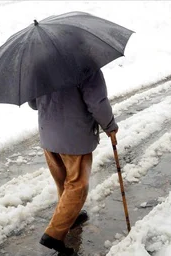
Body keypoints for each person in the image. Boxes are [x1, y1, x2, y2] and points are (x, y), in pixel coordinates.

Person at [28, 69, 118, 256]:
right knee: (77, 185)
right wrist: (109, 126)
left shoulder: (40, 65)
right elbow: (97, 103)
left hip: (48, 136)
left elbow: (33, 103)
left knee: (63, 181)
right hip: (74, 138)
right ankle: (53, 235)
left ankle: (72, 216)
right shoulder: (86, 66)